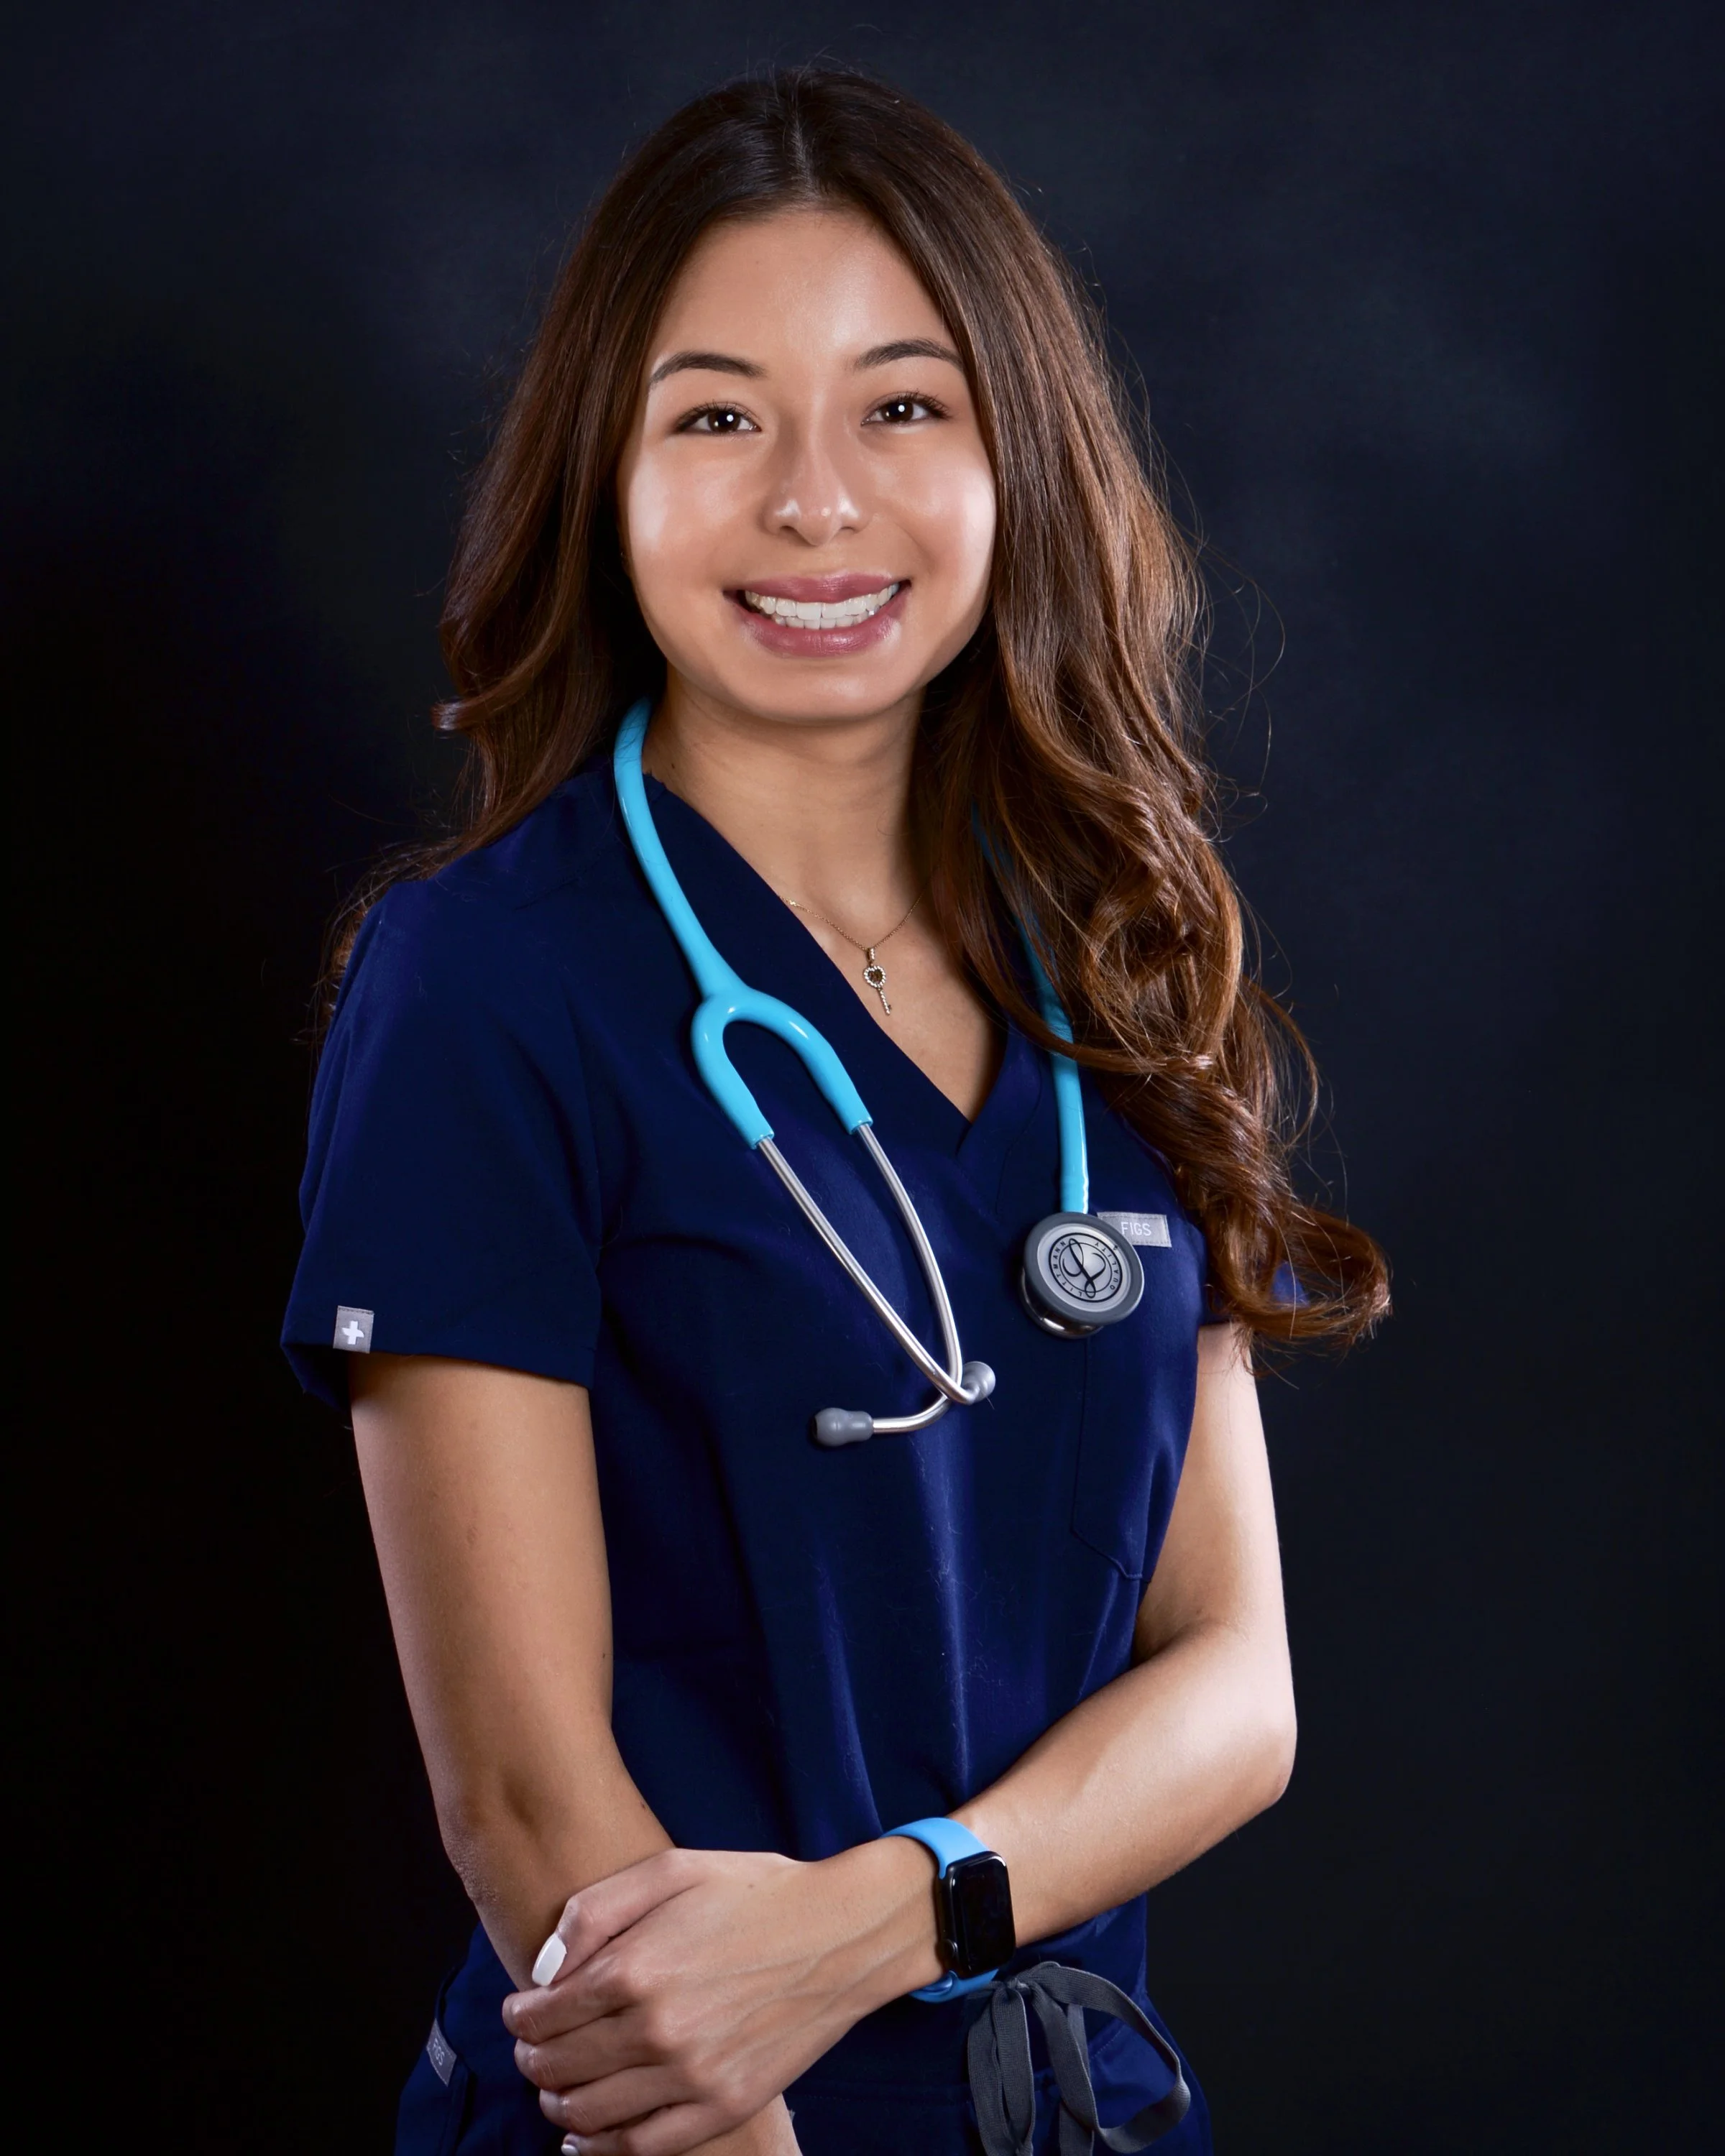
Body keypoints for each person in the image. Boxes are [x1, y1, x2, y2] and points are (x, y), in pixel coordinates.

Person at [283, 66, 1386, 2156]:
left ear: (1018, 462)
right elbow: (522, 1795)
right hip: (667, 2124)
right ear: (600, 479)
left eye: (904, 406)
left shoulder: (1124, 961)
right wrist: (745, 2084)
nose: (814, 502)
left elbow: (1236, 1684)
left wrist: (884, 1919)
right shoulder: (488, 983)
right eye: (716, 416)